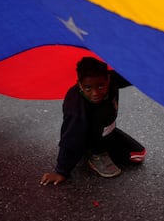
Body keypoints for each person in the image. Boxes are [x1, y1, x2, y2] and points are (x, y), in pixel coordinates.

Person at [40, 57, 146, 186]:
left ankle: (99, 146)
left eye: (101, 86)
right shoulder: (75, 106)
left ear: (108, 79)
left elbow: (136, 75)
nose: (95, 93)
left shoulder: (112, 79)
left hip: (107, 131)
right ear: (79, 84)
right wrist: (62, 171)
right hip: (87, 136)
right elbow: (71, 138)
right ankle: (95, 153)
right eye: (88, 88)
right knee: (98, 117)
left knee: (138, 155)